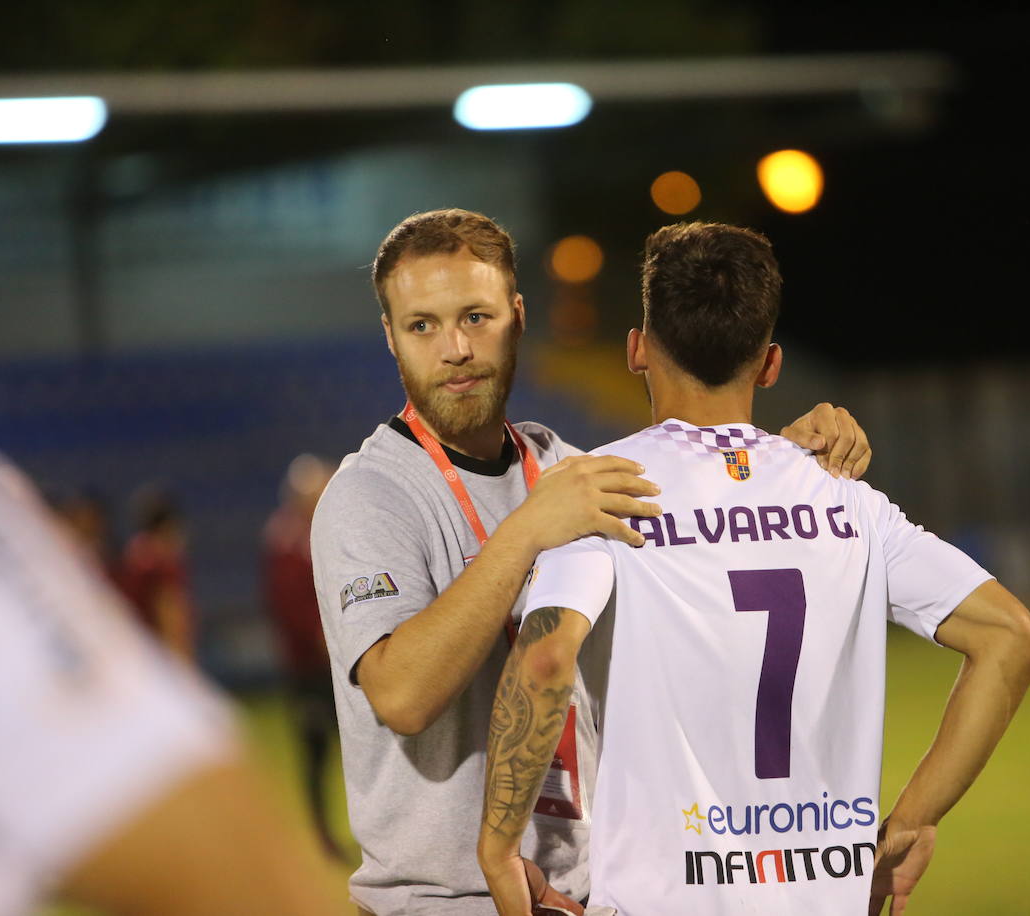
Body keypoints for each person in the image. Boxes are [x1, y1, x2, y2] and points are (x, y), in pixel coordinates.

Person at [311, 208, 873, 915]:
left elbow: (717, 528)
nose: (454, 347)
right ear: (391, 336)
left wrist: (782, 456)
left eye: (476, 317)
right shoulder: (372, 494)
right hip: (448, 901)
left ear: (517, 316)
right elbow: (403, 697)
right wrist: (523, 534)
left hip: (594, 897)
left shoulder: (570, 470)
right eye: (423, 325)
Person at [477, 222, 1030, 916]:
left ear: (637, 350)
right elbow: (1013, 639)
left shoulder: (601, 491)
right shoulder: (847, 498)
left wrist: (499, 849)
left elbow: (543, 664)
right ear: (770, 364)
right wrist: (913, 820)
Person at [0, 403, 348, 916]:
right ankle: (328, 833)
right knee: (317, 754)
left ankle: (329, 832)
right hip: (165, 683)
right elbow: (230, 863)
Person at [264, 453, 343, 857]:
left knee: (355, 747)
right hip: (311, 667)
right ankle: (322, 836)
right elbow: (291, 605)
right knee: (316, 750)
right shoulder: (287, 539)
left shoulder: (319, 530)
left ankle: (342, 832)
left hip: (331, 661)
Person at [119, 486, 197, 661]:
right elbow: (169, 612)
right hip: (158, 655)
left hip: (133, 649)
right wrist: (181, 660)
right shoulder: (162, 561)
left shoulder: (134, 554)